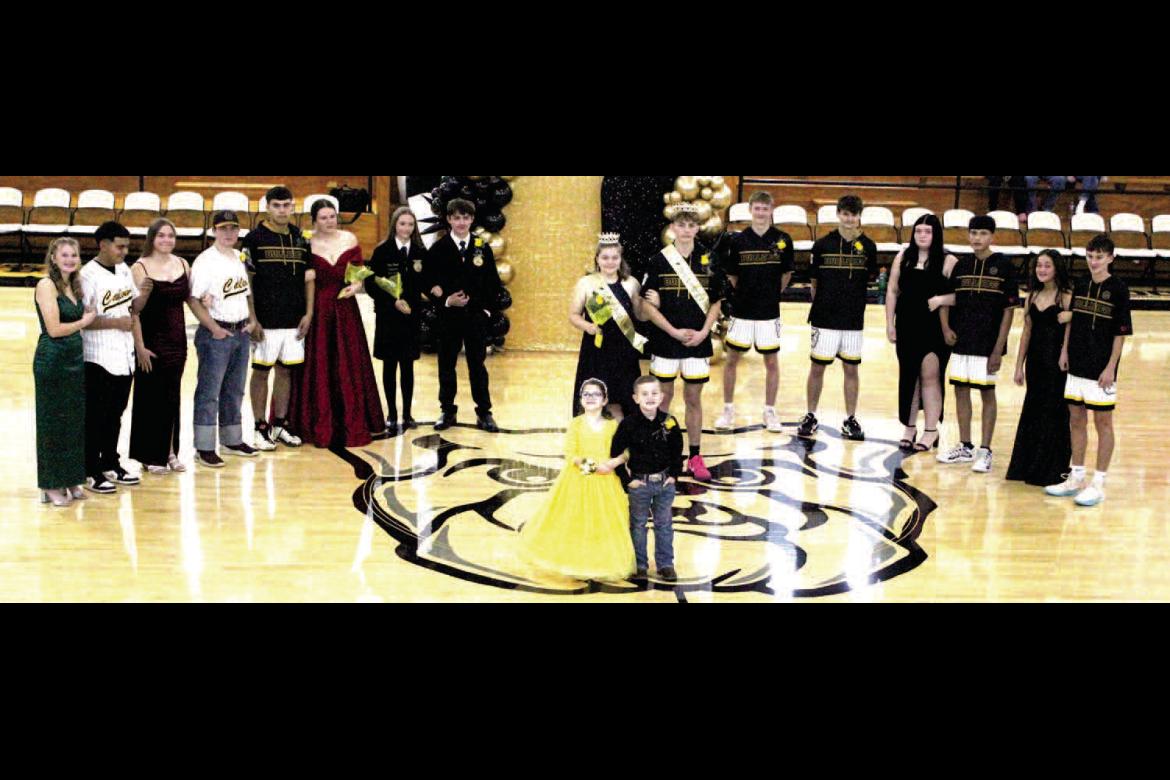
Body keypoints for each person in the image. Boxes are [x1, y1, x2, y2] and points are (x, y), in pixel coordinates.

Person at [518, 379, 637, 581]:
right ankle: (576, 560)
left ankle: (599, 560)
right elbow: (570, 454)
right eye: (586, 394)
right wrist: (593, 467)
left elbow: (626, 450)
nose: (591, 398)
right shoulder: (576, 424)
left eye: (596, 394)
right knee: (576, 520)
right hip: (578, 480)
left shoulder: (612, 426)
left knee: (603, 521)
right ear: (580, 400)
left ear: (605, 400)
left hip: (606, 481)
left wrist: (613, 463)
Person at [1046, 235, 1132, 506]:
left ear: (1110, 258)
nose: (1094, 262)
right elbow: (1073, 320)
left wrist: (1111, 367)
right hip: (1076, 362)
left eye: (1099, 257)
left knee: (1102, 423)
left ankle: (1099, 482)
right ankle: (1076, 476)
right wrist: (1064, 351)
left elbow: (1121, 334)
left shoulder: (1119, 289)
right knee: (1076, 419)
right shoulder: (1081, 284)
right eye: (1090, 256)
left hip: (1101, 368)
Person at [640, 203, 724, 481]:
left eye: (691, 225)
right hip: (666, 340)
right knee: (662, 400)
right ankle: (661, 455)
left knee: (693, 400)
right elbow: (647, 307)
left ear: (697, 228)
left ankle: (696, 456)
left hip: (697, 342)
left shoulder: (708, 259)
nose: (686, 230)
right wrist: (674, 332)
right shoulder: (657, 261)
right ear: (672, 228)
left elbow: (716, 302)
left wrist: (703, 333)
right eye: (681, 225)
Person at [292, 200, 384, 448]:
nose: (329, 221)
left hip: (345, 309)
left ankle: (352, 419)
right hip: (319, 308)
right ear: (314, 220)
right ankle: (317, 422)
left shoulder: (349, 239)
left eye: (332, 216)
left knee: (348, 362)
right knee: (319, 363)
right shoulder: (305, 243)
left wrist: (357, 285)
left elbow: (358, 272)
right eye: (323, 217)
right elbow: (301, 278)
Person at [937, 215, 1019, 473]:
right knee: (960, 390)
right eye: (973, 233)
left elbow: (1009, 311)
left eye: (982, 233)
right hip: (962, 340)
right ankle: (965, 445)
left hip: (988, 344)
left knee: (987, 393)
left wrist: (998, 348)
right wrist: (946, 328)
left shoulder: (1004, 266)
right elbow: (947, 299)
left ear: (991, 236)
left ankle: (985, 450)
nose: (977, 238)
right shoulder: (961, 266)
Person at [798, 195, 877, 440]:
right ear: (838, 214)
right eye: (845, 213)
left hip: (853, 319)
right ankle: (810, 415)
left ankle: (850, 418)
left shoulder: (869, 246)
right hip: (824, 318)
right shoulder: (822, 245)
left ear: (859, 216)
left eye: (853, 214)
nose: (849, 218)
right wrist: (822, 306)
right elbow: (814, 283)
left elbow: (869, 280)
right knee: (817, 368)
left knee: (851, 369)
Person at [715, 191, 794, 434]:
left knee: (771, 361)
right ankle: (728, 409)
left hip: (769, 312)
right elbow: (732, 275)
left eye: (765, 208)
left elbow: (786, 274)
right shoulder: (738, 241)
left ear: (772, 210)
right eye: (757, 208)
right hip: (742, 311)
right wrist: (747, 293)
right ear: (750, 210)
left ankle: (770, 410)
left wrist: (769, 294)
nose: (761, 213)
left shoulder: (783, 239)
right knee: (732, 360)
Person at [242, 186, 313, 450]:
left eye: (287, 205)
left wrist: (309, 313)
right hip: (265, 320)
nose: (282, 210)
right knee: (261, 372)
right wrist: (252, 318)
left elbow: (309, 278)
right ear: (267, 207)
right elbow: (246, 280)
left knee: (285, 371)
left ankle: (279, 425)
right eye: (277, 206)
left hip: (294, 320)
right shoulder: (253, 238)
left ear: (292, 207)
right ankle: (260, 427)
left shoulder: (300, 237)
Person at [426, 198, 505, 433]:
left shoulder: (482, 247)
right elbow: (428, 280)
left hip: (475, 317)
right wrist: (446, 300)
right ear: (449, 219)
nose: (461, 222)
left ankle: (484, 412)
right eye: (457, 217)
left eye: (466, 217)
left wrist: (485, 310)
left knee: (477, 365)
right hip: (448, 317)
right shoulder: (439, 248)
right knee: (447, 365)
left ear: (472, 219)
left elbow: (492, 283)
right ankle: (447, 410)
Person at [188, 210, 259, 467]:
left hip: (239, 331)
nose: (229, 233)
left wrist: (251, 319)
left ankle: (231, 439)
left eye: (233, 228)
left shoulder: (238, 257)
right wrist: (213, 327)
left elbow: (245, 293)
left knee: (235, 389)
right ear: (214, 231)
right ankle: (204, 446)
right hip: (216, 333)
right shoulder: (206, 260)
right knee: (209, 392)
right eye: (224, 228)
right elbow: (194, 299)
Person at [885, 213, 956, 452]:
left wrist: (940, 299)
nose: (922, 235)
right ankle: (909, 426)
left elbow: (963, 296)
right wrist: (889, 323)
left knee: (930, 376)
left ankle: (931, 430)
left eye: (927, 231)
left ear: (936, 235)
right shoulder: (903, 257)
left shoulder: (948, 261)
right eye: (918, 231)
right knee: (909, 376)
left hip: (935, 327)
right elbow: (893, 291)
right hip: (907, 324)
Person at [34, 238, 96, 506]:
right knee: (53, 424)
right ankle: (50, 484)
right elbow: (54, 329)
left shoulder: (75, 284)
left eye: (74, 255)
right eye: (65, 255)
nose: (70, 259)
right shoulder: (46, 285)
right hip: (53, 359)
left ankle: (71, 477)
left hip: (74, 356)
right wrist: (85, 321)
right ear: (54, 258)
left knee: (73, 422)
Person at [80, 221, 141, 493]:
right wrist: (114, 324)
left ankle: (110, 462)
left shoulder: (125, 270)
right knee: (96, 415)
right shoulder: (87, 276)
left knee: (115, 414)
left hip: (124, 355)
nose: (124, 251)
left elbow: (132, 308)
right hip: (97, 355)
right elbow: (83, 321)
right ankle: (91, 469)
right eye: (120, 246)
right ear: (102, 244)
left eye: (127, 246)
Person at [129, 218, 192, 475]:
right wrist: (140, 347)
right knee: (150, 398)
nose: (167, 240)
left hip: (178, 340)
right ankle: (149, 454)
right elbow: (134, 310)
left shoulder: (183, 264)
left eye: (171, 235)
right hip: (152, 340)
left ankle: (170, 452)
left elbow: (190, 298)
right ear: (152, 238)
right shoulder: (139, 267)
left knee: (172, 397)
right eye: (161, 236)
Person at [1007, 250, 1073, 486]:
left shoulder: (1065, 296)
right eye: (1039, 266)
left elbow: (1069, 329)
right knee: (1034, 409)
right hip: (1035, 360)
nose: (1042, 270)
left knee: (1054, 411)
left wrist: (1065, 352)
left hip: (1056, 361)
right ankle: (1028, 465)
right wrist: (1018, 366)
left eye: (1047, 266)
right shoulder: (1032, 296)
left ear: (1057, 268)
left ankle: (1054, 467)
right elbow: (1027, 332)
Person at [610, 376, 684, 581]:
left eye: (654, 393)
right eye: (644, 394)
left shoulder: (669, 421)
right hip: (639, 483)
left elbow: (677, 450)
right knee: (638, 524)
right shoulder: (628, 424)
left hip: (664, 483)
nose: (650, 398)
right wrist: (627, 481)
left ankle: (666, 564)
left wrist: (674, 475)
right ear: (635, 398)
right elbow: (615, 452)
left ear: (661, 396)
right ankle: (639, 565)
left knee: (664, 524)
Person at [569, 233, 647, 420]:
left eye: (614, 257)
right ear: (597, 259)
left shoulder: (631, 283)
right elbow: (573, 315)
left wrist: (648, 303)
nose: (610, 262)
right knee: (598, 394)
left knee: (623, 395)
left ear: (620, 259)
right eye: (605, 257)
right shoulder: (586, 283)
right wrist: (588, 327)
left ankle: (622, 437)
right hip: (597, 348)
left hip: (624, 349)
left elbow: (639, 316)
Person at [367, 206, 426, 436]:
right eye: (402, 224)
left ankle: (408, 413)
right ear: (394, 225)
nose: (406, 228)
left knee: (408, 366)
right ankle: (391, 413)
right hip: (388, 317)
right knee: (390, 365)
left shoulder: (420, 251)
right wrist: (392, 302)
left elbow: (426, 280)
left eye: (410, 224)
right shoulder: (382, 251)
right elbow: (371, 283)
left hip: (411, 317)